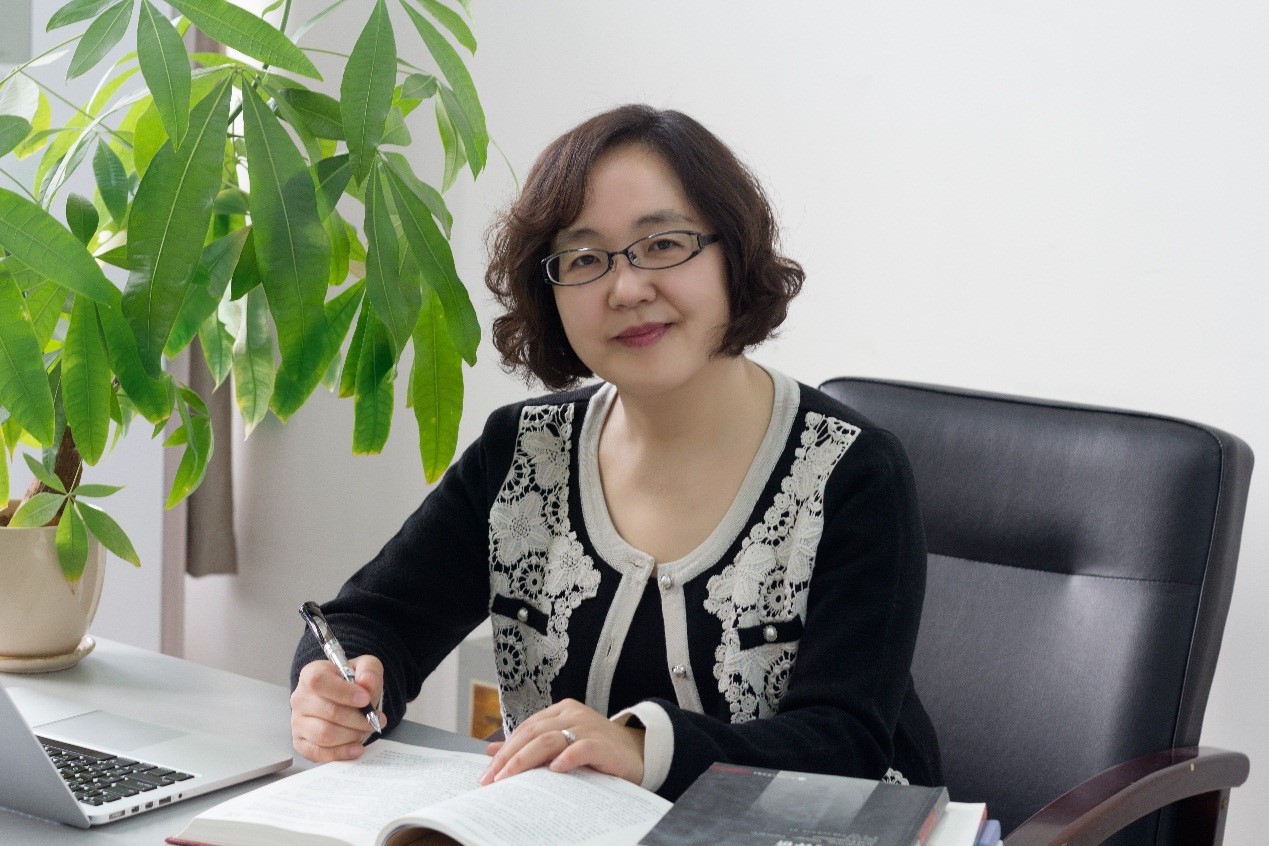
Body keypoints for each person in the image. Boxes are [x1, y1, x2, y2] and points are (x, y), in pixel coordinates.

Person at [289, 104, 941, 799]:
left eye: (663, 244)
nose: (627, 289)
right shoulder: (522, 452)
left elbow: (847, 744)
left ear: (734, 252)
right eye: (584, 259)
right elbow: (373, 618)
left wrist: (641, 746)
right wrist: (337, 686)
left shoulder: (853, 471)